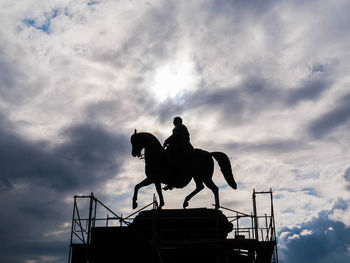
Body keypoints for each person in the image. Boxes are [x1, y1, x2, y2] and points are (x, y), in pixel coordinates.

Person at [163, 117, 194, 190]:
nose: (173, 123)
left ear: (177, 121)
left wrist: (166, 141)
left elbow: (175, 136)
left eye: (174, 121)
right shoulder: (180, 127)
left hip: (181, 148)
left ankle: (171, 181)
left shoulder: (180, 127)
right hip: (180, 146)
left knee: (170, 160)